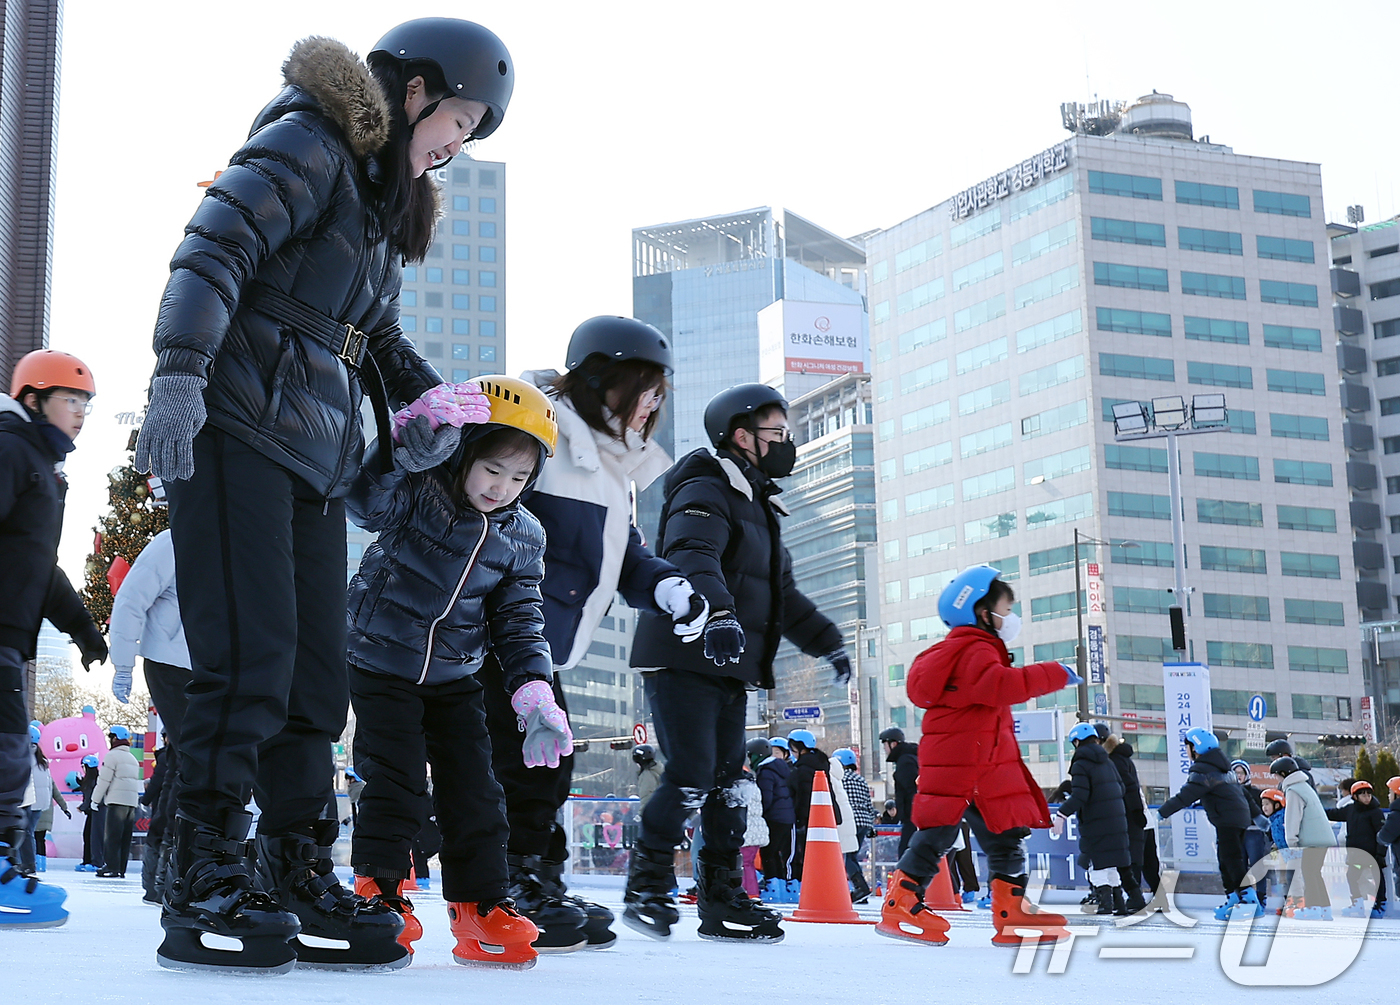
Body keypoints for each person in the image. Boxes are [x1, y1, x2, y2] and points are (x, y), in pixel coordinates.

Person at [132, 20, 515, 975]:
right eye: (460, 121)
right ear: (417, 89)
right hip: (233, 426)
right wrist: (179, 370)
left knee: (315, 678)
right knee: (250, 658)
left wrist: (434, 407)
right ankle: (205, 865)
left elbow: (372, 339)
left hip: (310, 455)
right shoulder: (310, 138)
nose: (456, 148)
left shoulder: (376, 212)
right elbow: (214, 243)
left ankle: (293, 860)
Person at [486, 317, 704, 952]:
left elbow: (621, 552)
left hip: (540, 644)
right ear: (605, 379)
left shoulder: (608, 465)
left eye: (660, 392)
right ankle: (514, 885)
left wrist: (665, 586)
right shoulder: (543, 435)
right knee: (524, 768)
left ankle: (536, 879)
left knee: (547, 765)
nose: (654, 404)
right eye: (646, 387)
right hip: (498, 636)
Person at [346, 377, 561, 969]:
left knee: (478, 789)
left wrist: (533, 691)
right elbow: (364, 499)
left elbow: (519, 619)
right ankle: (380, 891)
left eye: (520, 479)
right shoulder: (419, 491)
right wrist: (402, 445)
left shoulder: (524, 536)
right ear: (465, 451)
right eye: (493, 469)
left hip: (454, 675)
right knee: (397, 779)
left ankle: (480, 906)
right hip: (380, 660)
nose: (503, 488)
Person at [625, 383, 849, 944]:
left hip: (728, 662)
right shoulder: (706, 484)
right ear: (742, 436)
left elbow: (783, 598)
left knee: (730, 782)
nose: (786, 443)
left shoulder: (759, 506)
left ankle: (722, 898)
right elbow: (691, 553)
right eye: (777, 433)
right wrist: (719, 612)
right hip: (684, 649)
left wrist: (828, 642)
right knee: (694, 774)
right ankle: (647, 885)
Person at [876, 565, 1075, 948]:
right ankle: (901, 901)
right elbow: (1000, 686)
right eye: (1006, 608)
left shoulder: (963, 650)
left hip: (976, 760)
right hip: (968, 762)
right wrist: (1055, 673)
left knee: (1004, 834)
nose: (1010, 617)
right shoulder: (975, 649)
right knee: (939, 833)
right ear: (984, 613)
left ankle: (1010, 912)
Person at [0, 349, 106, 928]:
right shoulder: (12, 451)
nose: (80, 414)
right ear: (34, 399)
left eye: (86, 404)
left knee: (9, 750)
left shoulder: (42, 468)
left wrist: (83, 628)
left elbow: (41, 566)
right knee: (7, 752)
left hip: (11, 639)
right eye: (71, 400)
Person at [1159, 729, 1257, 919]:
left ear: (1196, 747)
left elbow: (1185, 796)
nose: (1186, 751)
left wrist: (1162, 813)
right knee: (1227, 860)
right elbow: (1239, 793)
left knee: (1232, 861)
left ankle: (1248, 900)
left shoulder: (1203, 769)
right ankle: (1235, 898)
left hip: (1228, 819)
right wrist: (1256, 815)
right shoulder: (1221, 766)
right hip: (1236, 818)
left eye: (1187, 746)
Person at [108, 529, 191, 728]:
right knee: (193, 748)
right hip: (171, 665)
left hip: (216, 665)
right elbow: (130, 602)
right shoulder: (171, 543)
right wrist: (123, 667)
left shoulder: (234, 543)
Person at [1051, 724, 1129, 915]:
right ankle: (1119, 904)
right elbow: (1122, 789)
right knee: (1110, 865)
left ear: (1077, 742)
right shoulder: (1107, 762)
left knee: (1097, 865)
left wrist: (1061, 815)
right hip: (1117, 821)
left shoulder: (1081, 764)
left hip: (1096, 823)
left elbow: (1080, 796)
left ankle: (1105, 904)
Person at [1270, 755, 1336, 919]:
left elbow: (1293, 818)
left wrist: (1291, 841)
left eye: (1277, 775)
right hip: (1322, 837)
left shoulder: (1294, 790)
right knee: (1314, 872)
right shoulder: (1304, 786)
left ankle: (1314, 907)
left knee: (1309, 872)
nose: (1276, 779)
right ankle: (1324, 909)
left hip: (1312, 840)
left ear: (1283, 773)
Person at [787, 729, 845, 884]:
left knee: (806, 854)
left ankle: (808, 883)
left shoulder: (802, 769)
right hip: (828, 817)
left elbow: (803, 797)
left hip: (808, 819)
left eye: (793, 748)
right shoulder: (821, 765)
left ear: (800, 748)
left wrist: (798, 817)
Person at [1326, 780, 1387, 918]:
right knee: (1352, 876)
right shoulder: (1351, 809)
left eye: (1368, 794)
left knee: (1377, 878)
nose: (1367, 797)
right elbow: (1334, 813)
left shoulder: (1375, 812)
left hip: (1372, 854)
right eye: (1363, 795)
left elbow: (1381, 834)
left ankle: (1381, 904)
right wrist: (1316, 810)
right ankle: (1357, 903)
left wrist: (1380, 854)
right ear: (1355, 797)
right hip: (1356, 855)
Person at [1103, 733, 1149, 912]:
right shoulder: (1122, 759)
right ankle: (1132, 897)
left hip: (1126, 814)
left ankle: (1131, 897)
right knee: (1132, 856)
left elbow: (1129, 788)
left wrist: (1136, 811)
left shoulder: (1115, 761)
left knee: (1127, 857)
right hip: (1131, 813)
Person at [91, 725, 141, 879]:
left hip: (116, 801)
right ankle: (121, 868)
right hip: (131, 802)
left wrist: (94, 800)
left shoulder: (112, 756)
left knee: (112, 835)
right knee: (126, 837)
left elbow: (104, 780)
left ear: (114, 738)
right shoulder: (132, 758)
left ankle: (111, 866)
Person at [22, 726, 70, 875]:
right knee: (31, 834)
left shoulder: (23, 758)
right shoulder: (42, 761)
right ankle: (31, 864)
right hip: (41, 805)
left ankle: (26, 864)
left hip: (28, 802)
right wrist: (64, 806)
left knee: (23, 833)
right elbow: (52, 786)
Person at [754, 737, 795, 898]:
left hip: (774, 817)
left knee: (768, 853)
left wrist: (760, 813)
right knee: (777, 853)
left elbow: (766, 797)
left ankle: (773, 887)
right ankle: (781, 887)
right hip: (787, 817)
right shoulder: (783, 769)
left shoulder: (766, 771)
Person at [833, 748, 874, 903]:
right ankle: (860, 893)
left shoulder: (840, 779)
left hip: (849, 821)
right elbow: (869, 805)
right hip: (863, 821)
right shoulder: (861, 780)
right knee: (853, 856)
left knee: (848, 857)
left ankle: (861, 888)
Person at [1229, 758, 1270, 908]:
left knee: (1257, 865)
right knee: (1238, 867)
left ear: (1247, 775)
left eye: (1242, 773)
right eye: (1235, 772)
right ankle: (1242, 897)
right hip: (1235, 834)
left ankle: (1260, 897)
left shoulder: (1256, 793)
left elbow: (1263, 812)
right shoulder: (1227, 792)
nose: (1239, 775)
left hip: (1253, 833)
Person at [880, 726, 920, 857]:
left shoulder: (905, 762)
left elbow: (912, 790)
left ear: (894, 744)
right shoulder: (909, 758)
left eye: (885, 745)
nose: (884, 749)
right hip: (914, 818)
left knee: (906, 854)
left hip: (912, 819)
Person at [75, 756, 104, 873]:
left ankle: (94, 861)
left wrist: (82, 807)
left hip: (95, 812)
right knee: (88, 835)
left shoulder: (92, 781)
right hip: (92, 812)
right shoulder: (93, 780)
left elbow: (90, 797)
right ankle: (87, 860)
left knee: (93, 837)